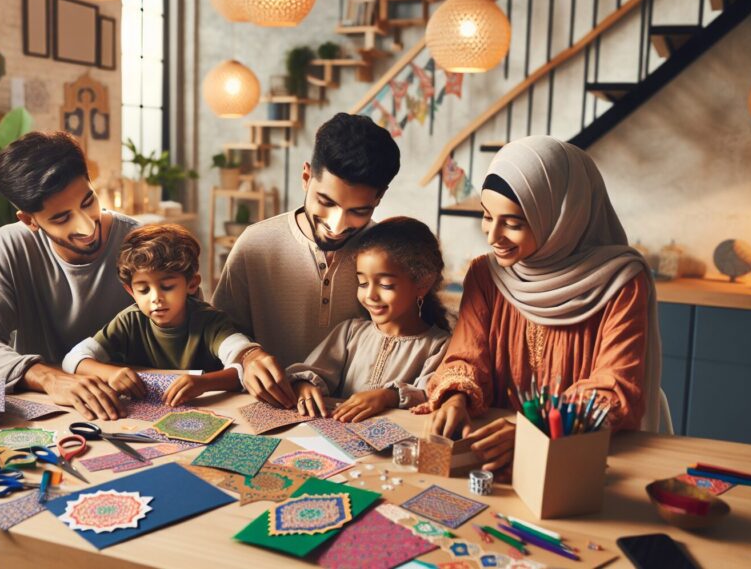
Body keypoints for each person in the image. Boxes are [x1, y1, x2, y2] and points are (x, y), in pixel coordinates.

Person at [416, 136, 661, 473]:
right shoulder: (486, 275)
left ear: (562, 218)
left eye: (513, 223)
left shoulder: (620, 281)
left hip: (577, 457)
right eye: (487, 217)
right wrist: (456, 397)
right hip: (493, 453)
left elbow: (616, 388)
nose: (492, 236)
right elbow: (467, 356)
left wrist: (537, 430)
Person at [213, 113, 401, 409]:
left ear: (379, 198)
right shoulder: (255, 244)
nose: (337, 225)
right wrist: (246, 355)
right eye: (326, 203)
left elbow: (413, 338)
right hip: (264, 411)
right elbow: (216, 328)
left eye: (358, 211)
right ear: (305, 177)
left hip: (352, 416)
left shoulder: (389, 256)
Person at [0, 131, 138, 421]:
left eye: (87, 201)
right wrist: (48, 378)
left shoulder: (139, 241)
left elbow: (199, 331)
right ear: (29, 220)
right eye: (61, 217)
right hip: (47, 409)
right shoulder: (10, 246)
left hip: (131, 408)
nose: (86, 227)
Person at [61, 225, 264, 406]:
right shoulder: (129, 321)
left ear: (192, 284)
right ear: (131, 291)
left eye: (167, 287)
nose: (156, 298)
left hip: (205, 414)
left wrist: (204, 383)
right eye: (143, 290)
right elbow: (72, 359)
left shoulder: (210, 322)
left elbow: (245, 364)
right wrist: (110, 373)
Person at [287, 217, 452, 422]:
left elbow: (430, 395)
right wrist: (304, 385)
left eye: (385, 285)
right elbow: (311, 372)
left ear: (422, 283)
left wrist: (388, 397)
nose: (370, 295)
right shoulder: (349, 332)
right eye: (363, 283)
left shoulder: (439, 346)